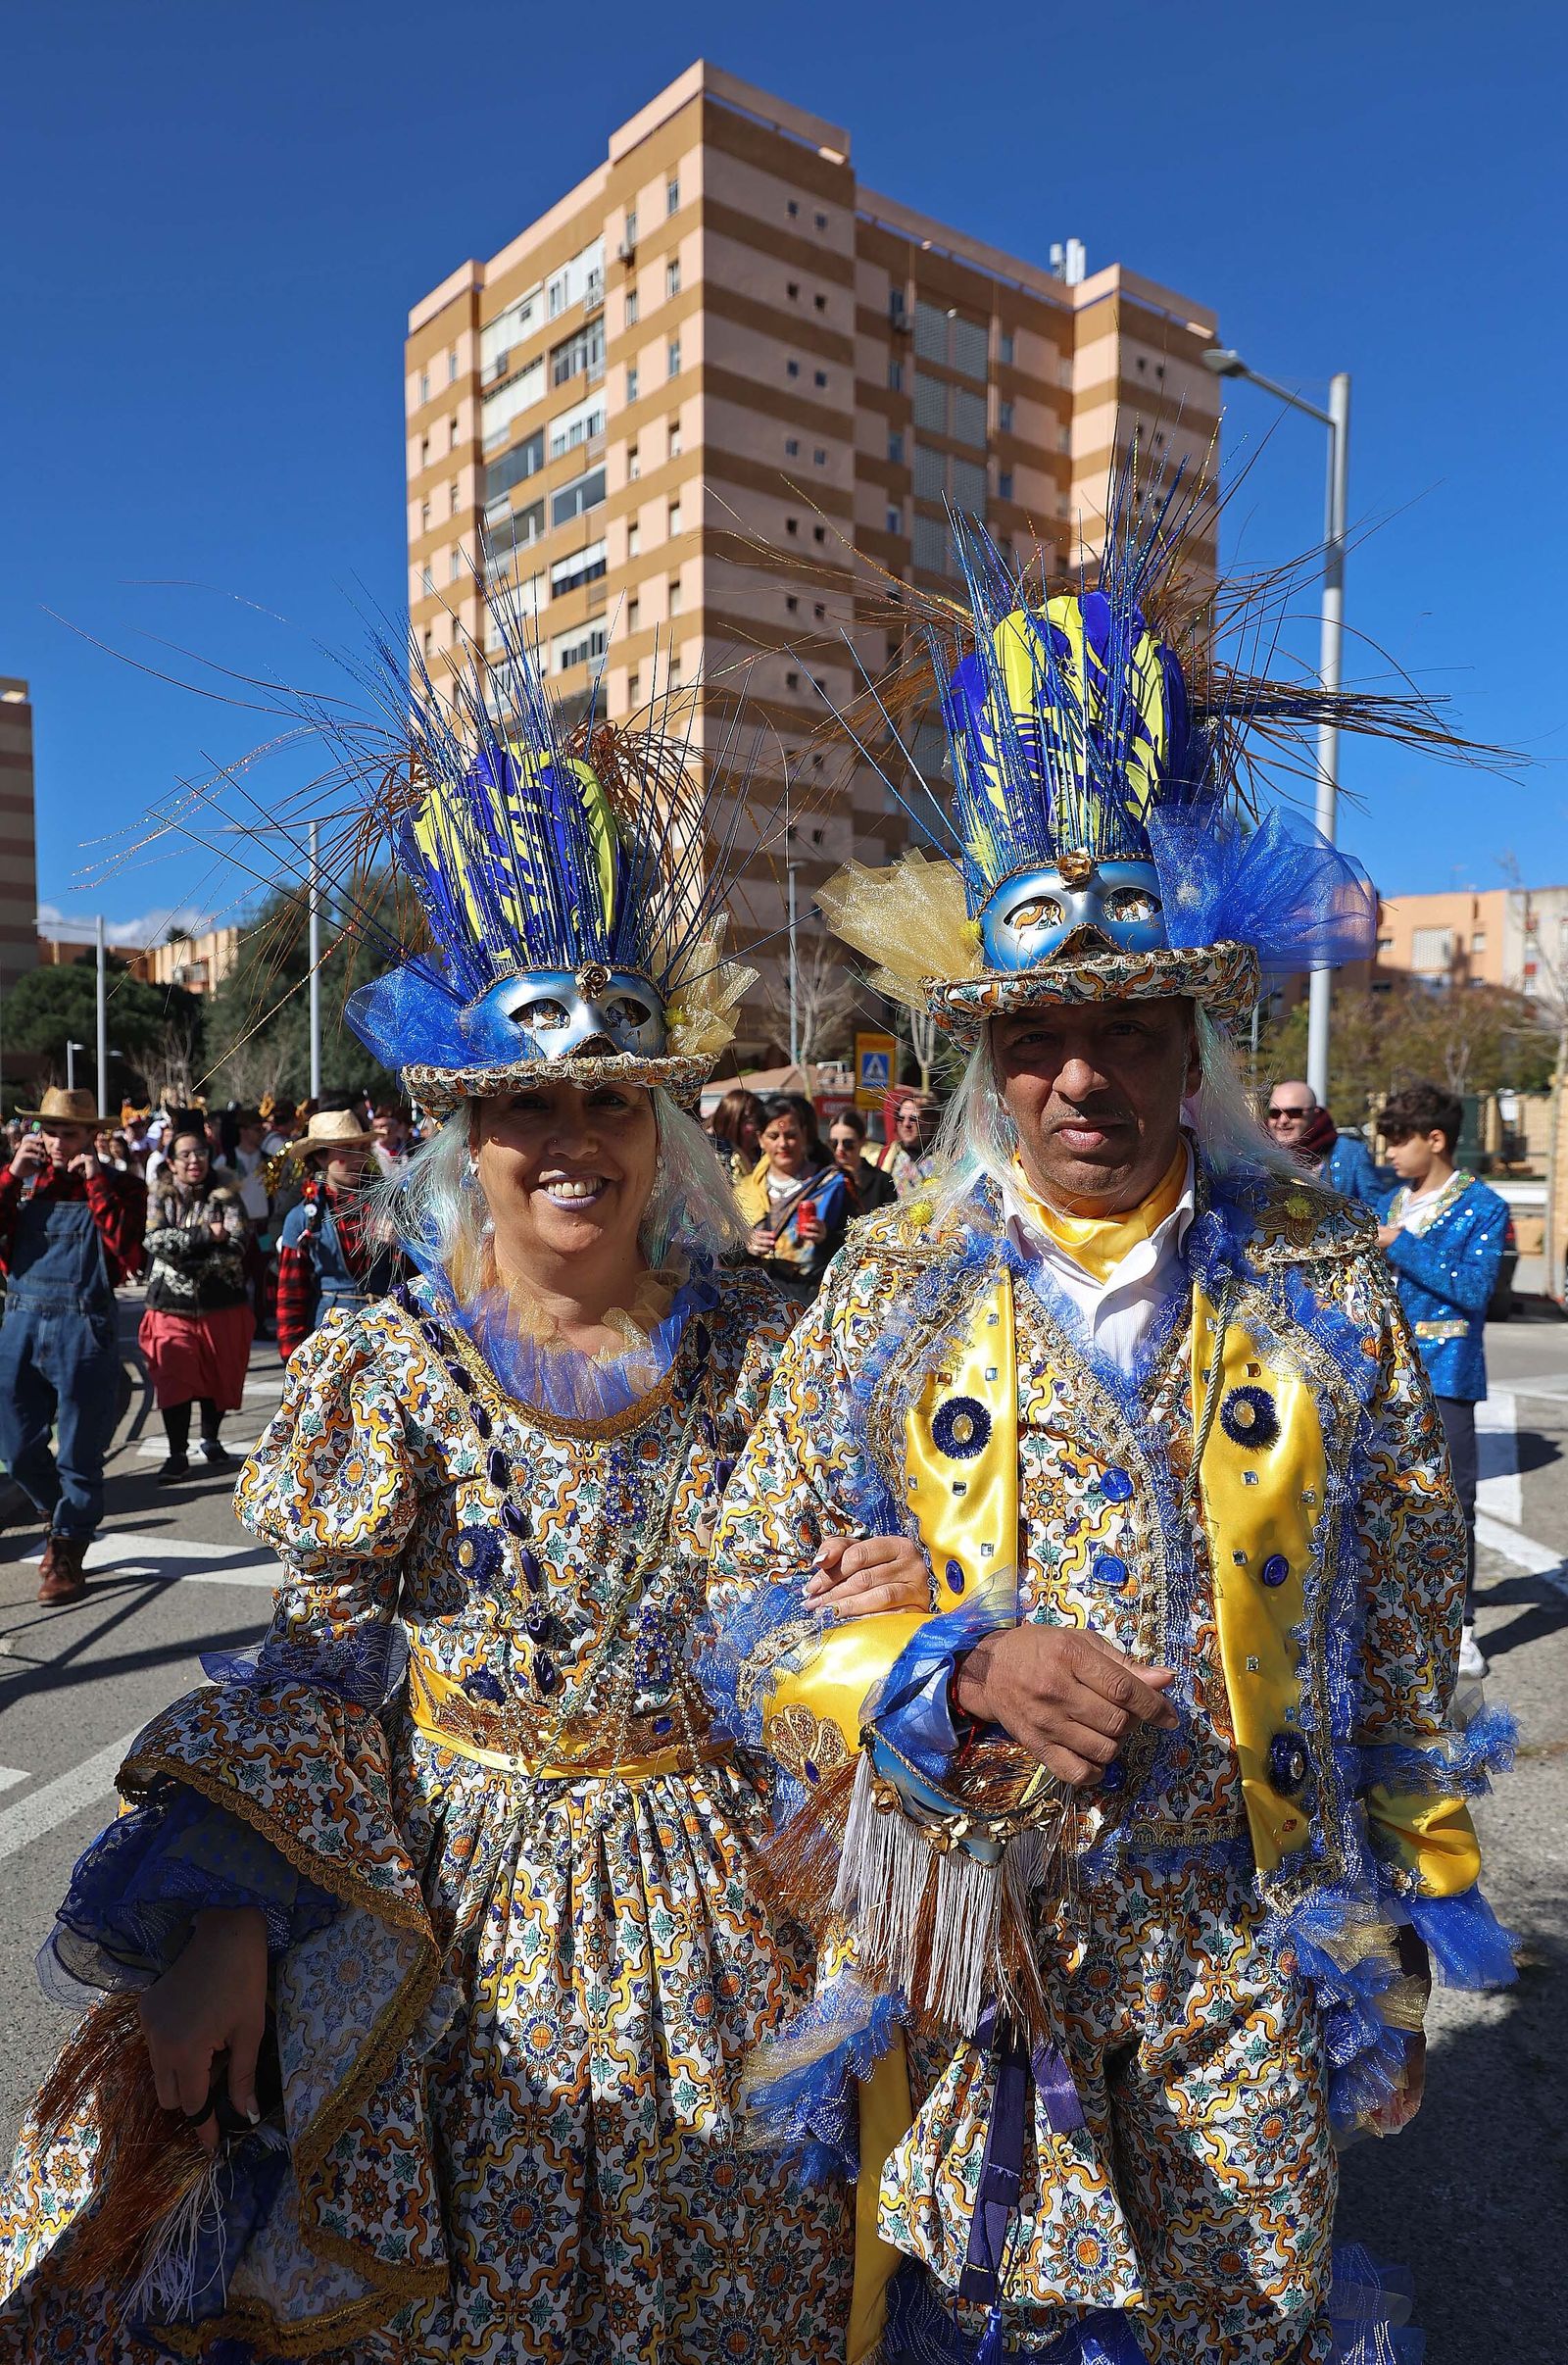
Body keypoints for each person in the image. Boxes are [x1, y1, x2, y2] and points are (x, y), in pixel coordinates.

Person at [0, 609, 933, 2365]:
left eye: (607, 1095)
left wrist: (888, 1596)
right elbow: (325, 1669)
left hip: (732, 1905)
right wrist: (223, 1914)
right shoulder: (391, 1363)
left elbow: (833, 1585)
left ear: (662, 1123)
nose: (570, 1135)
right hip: (457, 1921)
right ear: (466, 1135)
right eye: (524, 1103)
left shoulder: (771, 1336)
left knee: (745, 2285)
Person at [707, 489, 1516, 2364]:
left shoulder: (1324, 1281)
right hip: (987, 1966)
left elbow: (1403, 1626)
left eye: (1130, 1024)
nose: (1084, 1073)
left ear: (1191, 1035)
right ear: (986, 1057)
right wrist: (953, 1662)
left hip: (1252, 1943)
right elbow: (740, 1610)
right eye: (1040, 1032)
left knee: (1251, 2325)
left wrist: (1409, 1923)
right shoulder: (893, 1285)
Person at [1376, 1081, 1509, 1682]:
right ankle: (1399, 1623)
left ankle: (1460, 1627)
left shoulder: (1485, 1206)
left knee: (1454, 1505)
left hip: (1449, 1374)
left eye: (1399, 1141)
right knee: (1390, 1501)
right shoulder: (1388, 1203)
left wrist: (1402, 1244)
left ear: (1437, 1139)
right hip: (1385, 1374)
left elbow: (1475, 1291)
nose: (1389, 1155)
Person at [0, 1087, 146, 1603]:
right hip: (20, 1320)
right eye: (50, 1130)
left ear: (91, 1136)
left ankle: (67, 1550)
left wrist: (97, 1185)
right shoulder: (23, 1183)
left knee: (81, 1449)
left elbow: (128, 1253)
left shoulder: (122, 1185)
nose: (57, 1142)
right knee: (15, 1448)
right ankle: (60, 1513)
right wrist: (10, 1178)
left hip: (84, 1327)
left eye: (69, 1132)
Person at [138, 1129, 257, 1482]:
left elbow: (236, 1245)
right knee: (174, 1378)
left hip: (222, 1305)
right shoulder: (160, 1196)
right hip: (170, 1306)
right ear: (171, 1162)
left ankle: (211, 1439)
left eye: (200, 1153)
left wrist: (190, 1259)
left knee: (219, 1375)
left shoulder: (228, 1196)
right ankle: (177, 1453)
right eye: (185, 1155)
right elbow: (154, 1239)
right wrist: (205, 1236)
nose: (194, 1160)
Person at [273, 1109, 404, 1359]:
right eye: (346, 1151)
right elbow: (291, 1294)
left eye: (361, 1149)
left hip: (388, 1331)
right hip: (331, 1335)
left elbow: (423, 1275)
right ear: (321, 1158)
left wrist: (403, 1243)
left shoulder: (392, 1203)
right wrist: (293, 1355)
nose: (357, 1158)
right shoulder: (303, 1217)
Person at [735, 1091, 851, 1304]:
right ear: (760, 1139)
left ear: (804, 1134)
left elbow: (857, 1242)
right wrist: (745, 1244)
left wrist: (827, 1237)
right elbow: (721, 1253)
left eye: (791, 1135)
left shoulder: (833, 1184)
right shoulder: (744, 1191)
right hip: (756, 1301)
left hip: (813, 1300)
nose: (783, 1144)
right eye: (773, 1136)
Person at [1265, 1076, 1384, 1203]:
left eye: (1294, 1113)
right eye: (1275, 1113)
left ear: (1314, 1114)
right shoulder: (1256, 1155)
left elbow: (1375, 1209)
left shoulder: (1351, 1153)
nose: (1282, 1121)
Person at [826, 1104, 899, 1213]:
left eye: (848, 1143)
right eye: (834, 1143)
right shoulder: (824, 1178)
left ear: (862, 1141)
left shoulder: (882, 1181)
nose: (839, 1148)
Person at [876, 1086, 941, 1198]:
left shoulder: (944, 1159)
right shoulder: (890, 1157)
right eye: (900, 1118)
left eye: (913, 1118)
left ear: (930, 1121)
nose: (906, 1124)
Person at [707, 1083, 763, 1185]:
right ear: (731, 1121)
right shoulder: (712, 1158)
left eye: (761, 1120)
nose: (758, 1127)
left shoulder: (764, 1155)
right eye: (751, 1121)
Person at [369, 1100, 413, 1177]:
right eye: (376, 1127)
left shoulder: (412, 1146)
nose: (379, 1131)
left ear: (396, 1126)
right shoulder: (371, 1154)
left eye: (383, 1126)